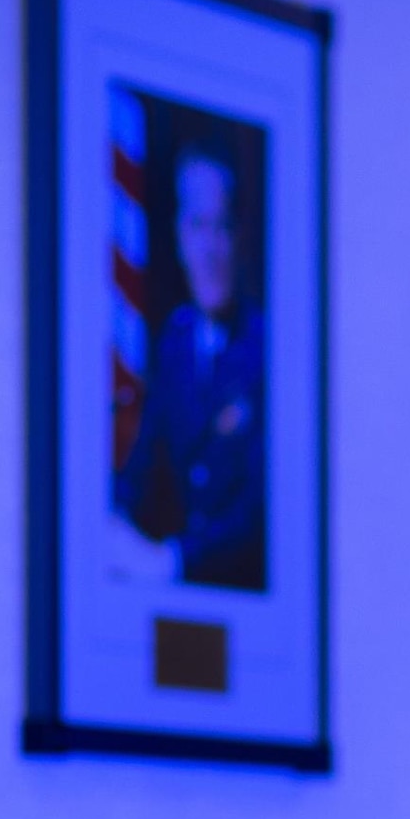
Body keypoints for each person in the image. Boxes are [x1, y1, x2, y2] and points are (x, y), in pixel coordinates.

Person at [116, 145, 268, 592]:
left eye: (221, 227)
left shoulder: (267, 350)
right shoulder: (176, 342)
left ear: (240, 237)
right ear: (180, 237)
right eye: (198, 227)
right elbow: (146, 464)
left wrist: (174, 561)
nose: (210, 250)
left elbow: (257, 510)